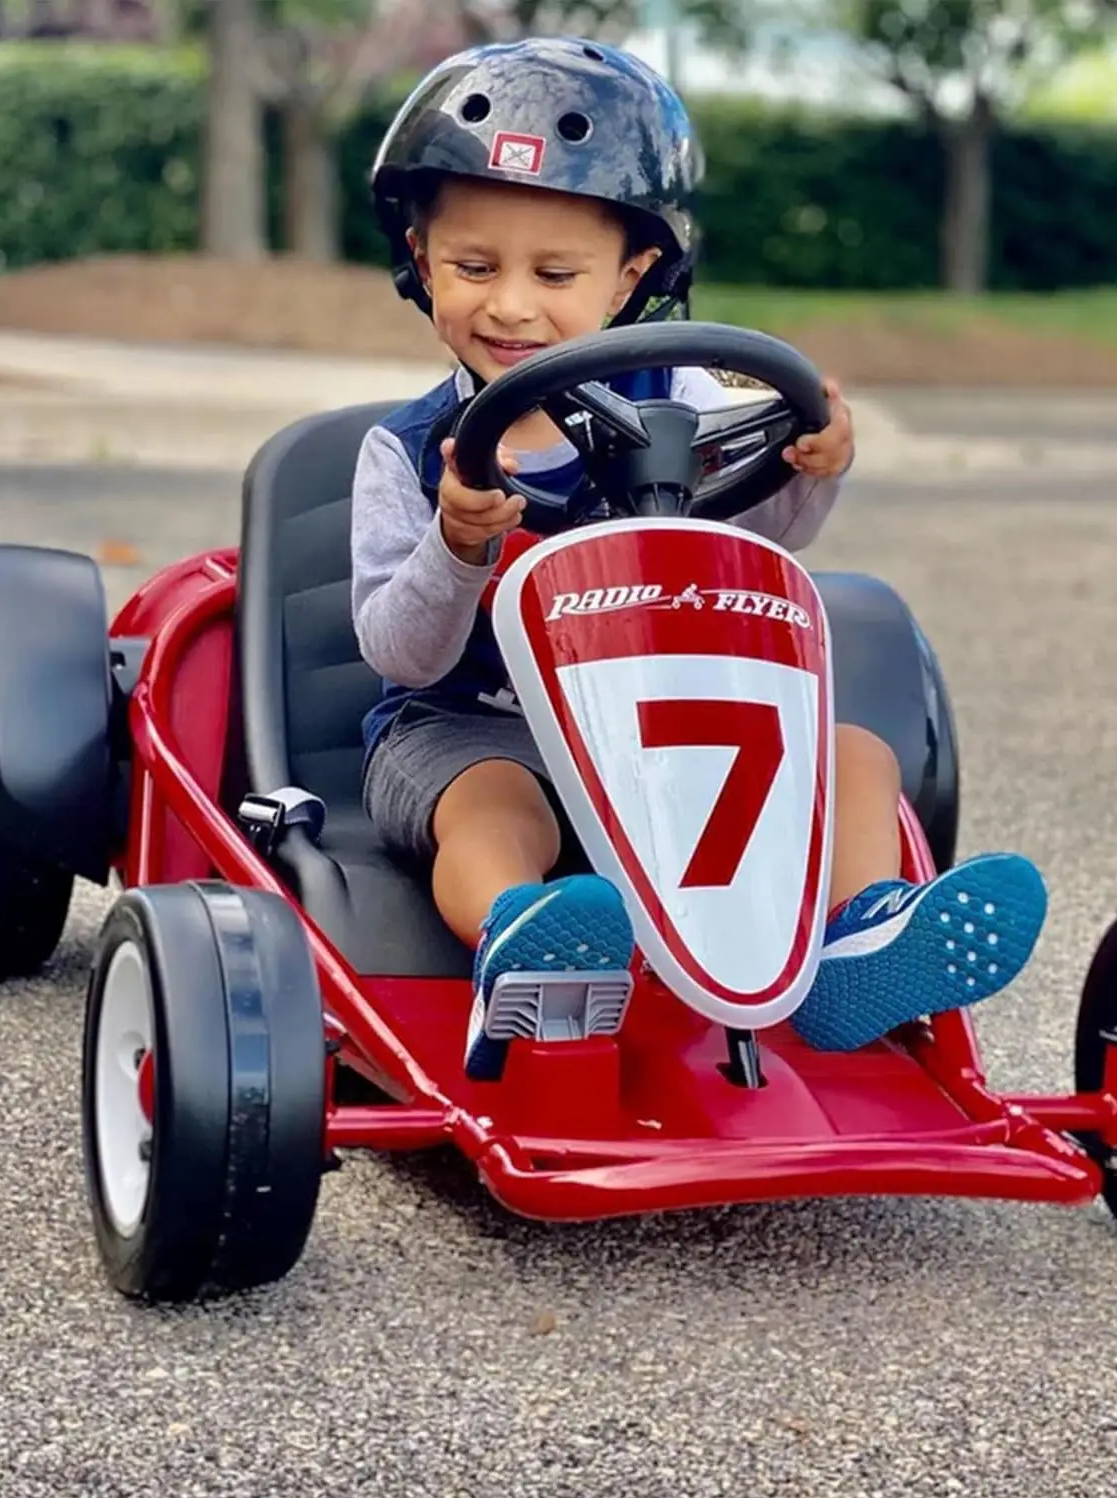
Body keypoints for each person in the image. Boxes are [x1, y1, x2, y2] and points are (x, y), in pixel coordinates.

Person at [351, 36, 1048, 1080]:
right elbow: (399, 655)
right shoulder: (406, 454)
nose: (509, 305)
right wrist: (455, 546)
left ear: (633, 273)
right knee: (497, 806)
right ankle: (523, 939)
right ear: (419, 259)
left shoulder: (686, 405)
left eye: (555, 273)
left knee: (855, 755)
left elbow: (768, 544)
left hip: (657, 731)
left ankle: (861, 934)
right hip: (469, 728)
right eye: (473, 267)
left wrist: (810, 462)